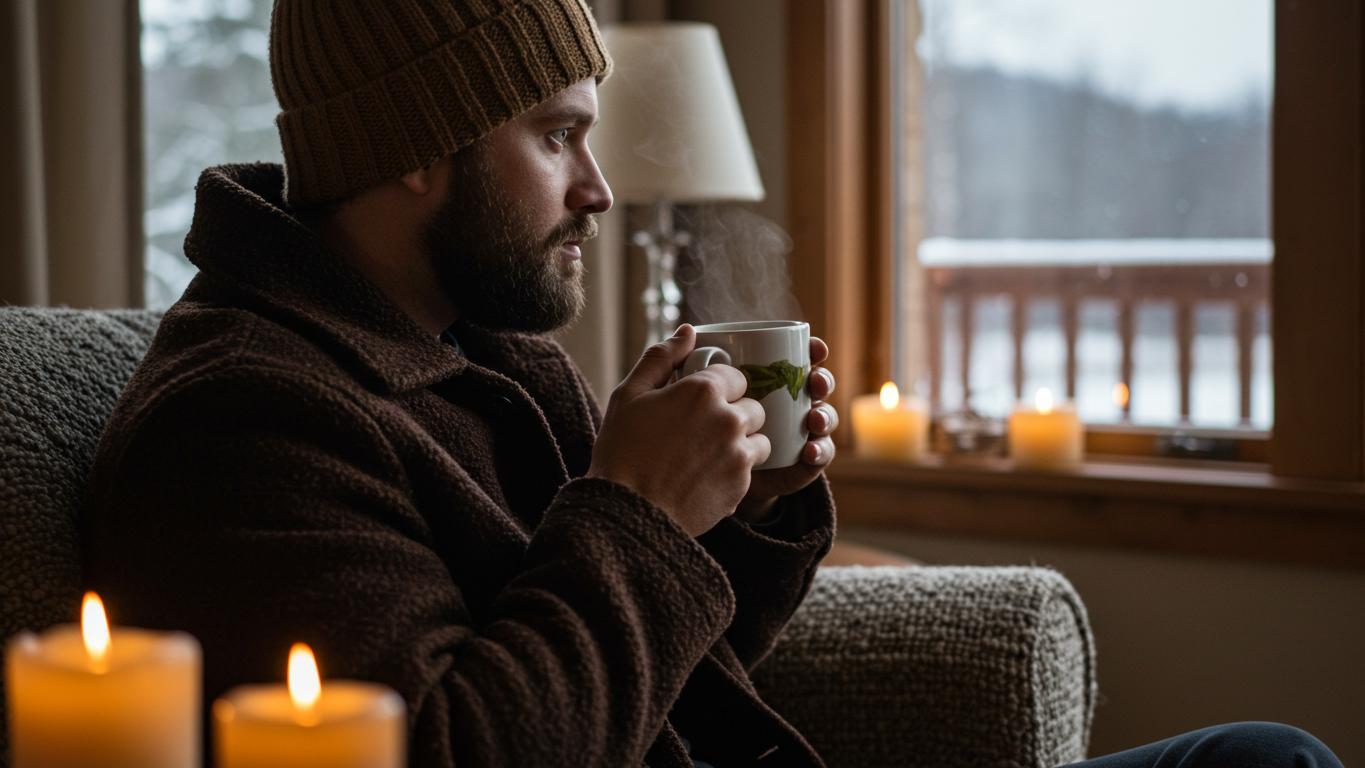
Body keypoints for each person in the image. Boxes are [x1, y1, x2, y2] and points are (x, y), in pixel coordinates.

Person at [84, 1, 1341, 766]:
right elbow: (464, 747)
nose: (597, 189)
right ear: (419, 147)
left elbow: (653, 679)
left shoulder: (495, 351)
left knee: (1262, 756)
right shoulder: (247, 422)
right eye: (557, 136)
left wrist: (736, 513)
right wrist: (635, 511)